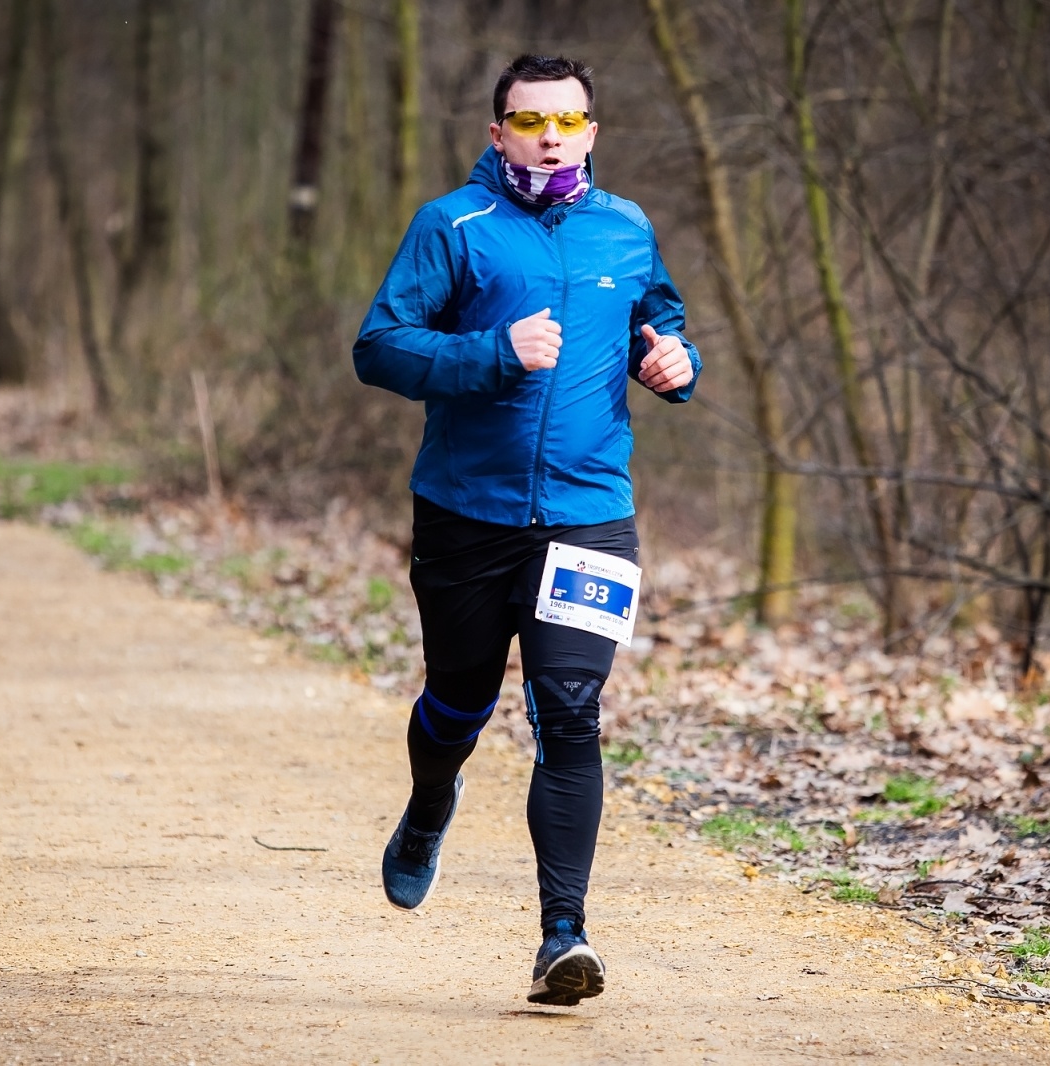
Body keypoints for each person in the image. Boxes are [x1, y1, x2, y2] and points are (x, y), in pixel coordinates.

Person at [352, 53, 700, 1006]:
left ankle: (563, 936)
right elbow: (379, 347)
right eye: (530, 121)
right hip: (468, 514)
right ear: (496, 129)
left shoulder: (626, 229)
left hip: (590, 517)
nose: (550, 137)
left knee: (571, 714)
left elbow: (659, 326)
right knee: (459, 700)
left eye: (568, 122)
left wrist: (677, 364)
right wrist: (490, 353)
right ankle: (430, 807)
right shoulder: (451, 226)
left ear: (593, 130)